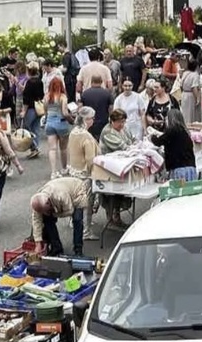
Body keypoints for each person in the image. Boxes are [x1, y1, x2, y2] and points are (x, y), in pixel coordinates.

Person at [30, 177, 91, 256]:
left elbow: (70, 210)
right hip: (61, 188)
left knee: (77, 219)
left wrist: (53, 214)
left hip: (76, 190)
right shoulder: (38, 202)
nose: (45, 212)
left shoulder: (60, 196)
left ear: (48, 202)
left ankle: (78, 250)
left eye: (46, 210)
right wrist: (38, 243)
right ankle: (57, 248)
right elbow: (36, 222)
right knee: (47, 220)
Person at [66, 106, 100, 241]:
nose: (93, 120)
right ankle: (86, 231)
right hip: (85, 174)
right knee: (87, 203)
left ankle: (73, 221)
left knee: (75, 201)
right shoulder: (87, 137)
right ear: (86, 119)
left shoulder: (73, 132)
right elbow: (90, 159)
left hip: (74, 172)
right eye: (92, 118)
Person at [99, 109, 136, 228]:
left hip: (121, 166)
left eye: (124, 122)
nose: (122, 125)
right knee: (111, 194)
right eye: (120, 122)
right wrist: (133, 147)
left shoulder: (124, 128)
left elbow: (132, 140)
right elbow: (123, 146)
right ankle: (111, 219)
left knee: (121, 194)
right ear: (112, 121)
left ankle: (117, 217)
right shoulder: (107, 132)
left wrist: (136, 144)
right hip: (109, 168)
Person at [150, 109, 197, 181]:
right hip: (190, 168)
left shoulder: (172, 130)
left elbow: (158, 142)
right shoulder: (185, 131)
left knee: (179, 191)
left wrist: (152, 136)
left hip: (179, 169)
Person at [44, 77, 73, 178]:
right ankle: (64, 168)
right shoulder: (62, 97)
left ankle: (53, 172)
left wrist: (47, 118)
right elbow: (65, 113)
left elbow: (45, 110)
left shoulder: (47, 96)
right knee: (63, 148)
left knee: (52, 149)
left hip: (49, 123)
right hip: (61, 123)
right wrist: (71, 119)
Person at [21, 63, 45, 158]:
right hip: (39, 107)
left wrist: (23, 111)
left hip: (30, 108)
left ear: (29, 71)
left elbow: (26, 99)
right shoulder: (40, 81)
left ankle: (33, 147)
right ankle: (36, 146)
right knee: (36, 128)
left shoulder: (29, 83)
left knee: (27, 128)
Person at [80, 74, 114, 139]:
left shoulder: (85, 93)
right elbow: (111, 109)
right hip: (103, 123)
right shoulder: (107, 93)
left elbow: (81, 109)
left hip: (89, 123)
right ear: (101, 82)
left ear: (91, 81)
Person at [179, 58, 202, 124]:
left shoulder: (185, 73)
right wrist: (197, 99)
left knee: (185, 113)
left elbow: (180, 85)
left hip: (184, 94)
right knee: (192, 114)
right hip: (191, 96)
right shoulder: (195, 75)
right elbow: (194, 87)